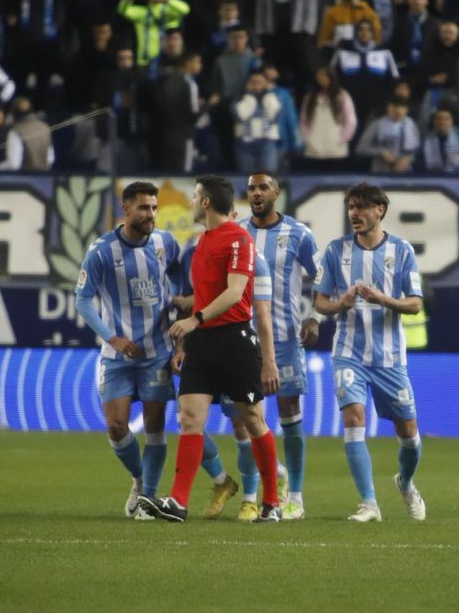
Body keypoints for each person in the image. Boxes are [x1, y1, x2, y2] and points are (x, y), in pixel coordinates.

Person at [75, 182, 238, 521]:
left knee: (156, 425)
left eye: (153, 208)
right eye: (143, 208)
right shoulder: (102, 252)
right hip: (117, 356)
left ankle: (148, 497)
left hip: (157, 352)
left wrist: (180, 332)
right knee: (117, 426)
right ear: (126, 209)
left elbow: (182, 283)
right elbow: (83, 300)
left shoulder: (166, 243)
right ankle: (138, 479)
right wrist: (112, 337)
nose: (150, 215)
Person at [140, 175, 283, 523]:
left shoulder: (238, 239)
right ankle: (178, 502)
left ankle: (272, 503)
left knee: (253, 420)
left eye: (194, 197)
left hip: (234, 340)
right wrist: (183, 309)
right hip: (203, 343)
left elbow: (235, 293)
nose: (190, 203)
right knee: (189, 420)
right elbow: (206, 295)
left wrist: (194, 319)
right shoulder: (203, 240)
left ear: (205, 202)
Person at [313, 183, 426, 523]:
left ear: (381, 210)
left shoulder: (403, 251)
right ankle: (369, 503)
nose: (354, 213)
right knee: (353, 418)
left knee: (409, 434)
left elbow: (416, 304)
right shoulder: (335, 251)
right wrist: (340, 304)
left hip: (390, 358)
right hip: (348, 353)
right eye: (350, 207)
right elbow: (319, 301)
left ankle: (405, 482)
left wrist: (383, 299)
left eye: (362, 207)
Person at [240, 173, 321, 519]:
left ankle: (296, 497)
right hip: (243, 338)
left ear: (277, 193)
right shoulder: (238, 233)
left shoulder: (299, 234)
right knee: (244, 418)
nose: (257, 194)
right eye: (252, 189)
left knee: (289, 412)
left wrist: (314, 315)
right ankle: (255, 493)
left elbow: (323, 277)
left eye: (263, 188)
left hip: (286, 337)